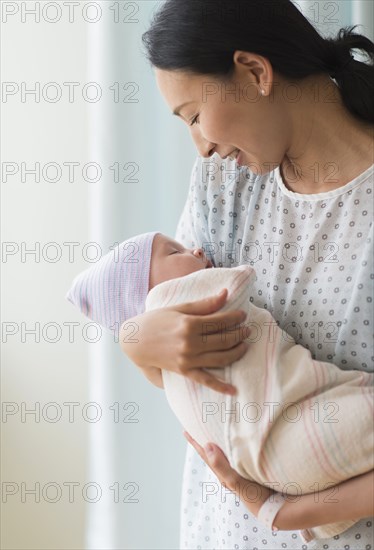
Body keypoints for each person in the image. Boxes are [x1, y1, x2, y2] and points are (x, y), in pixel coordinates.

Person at [120, 1, 374, 548]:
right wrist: (139, 341)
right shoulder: (222, 185)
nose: (202, 145)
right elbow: (193, 369)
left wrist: (286, 512)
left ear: (255, 72)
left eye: (193, 116)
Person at [66, 230, 374, 542]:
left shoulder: (165, 363)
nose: (197, 250)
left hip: (271, 477)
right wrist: (135, 336)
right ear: (151, 294)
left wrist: (134, 335)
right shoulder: (189, 298)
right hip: (284, 438)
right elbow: (236, 284)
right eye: (175, 252)